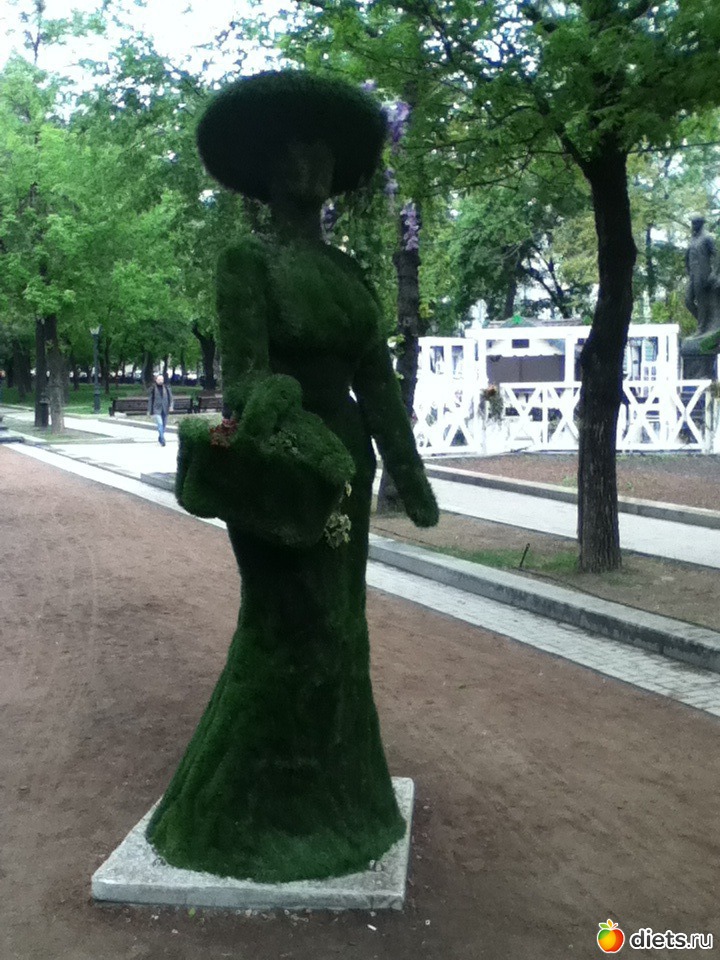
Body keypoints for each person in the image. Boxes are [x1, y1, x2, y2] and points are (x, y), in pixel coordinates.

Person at [146, 71, 439, 884]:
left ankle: (343, 798)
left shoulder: (349, 275)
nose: (309, 162)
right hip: (287, 467)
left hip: (349, 462)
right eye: (293, 150)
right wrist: (274, 402)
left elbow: (377, 382)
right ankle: (246, 813)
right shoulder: (247, 260)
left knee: (341, 630)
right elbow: (243, 378)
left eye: (322, 150)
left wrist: (410, 477)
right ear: (269, 170)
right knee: (290, 628)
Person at [147, 374, 173, 446]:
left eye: (162, 379)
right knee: (160, 424)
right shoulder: (153, 388)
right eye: (159, 380)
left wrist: (171, 406)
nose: (161, 381)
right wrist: (149, 410)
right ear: (156, 380)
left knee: (164, 425)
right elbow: (150, 400)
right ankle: (162, 439)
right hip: (156, 409)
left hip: (165, 409)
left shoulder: (167, 388)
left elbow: (171, 398)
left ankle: (160, 437)